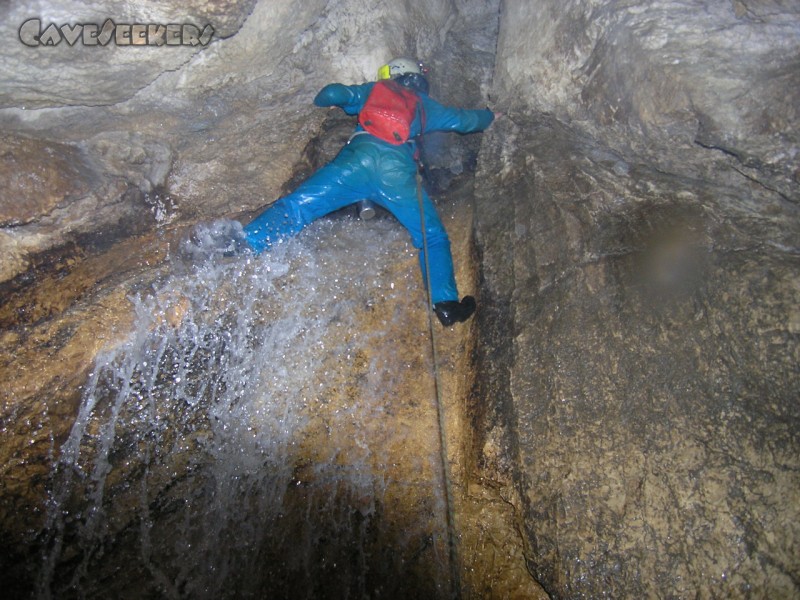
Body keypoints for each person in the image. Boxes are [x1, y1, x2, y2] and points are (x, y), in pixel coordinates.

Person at [241, 57, 495, 326]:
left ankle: (246, 242)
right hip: (397, 172)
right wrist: (492, 116)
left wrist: (322, 100)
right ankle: (445, 304)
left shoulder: (376, 90)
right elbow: (465, 120)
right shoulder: (423, 105)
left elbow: (331, 94)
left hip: (357, 162)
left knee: (297, 207)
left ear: (392, 75)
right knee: (432, 236)